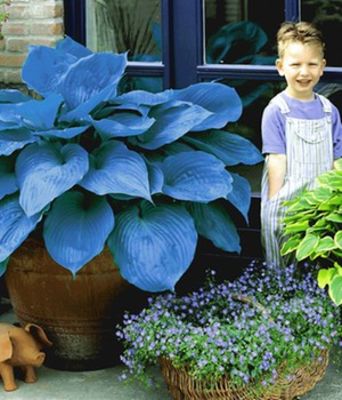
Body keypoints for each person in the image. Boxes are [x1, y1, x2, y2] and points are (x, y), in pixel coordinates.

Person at [260, 21, 342, 267]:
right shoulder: (276, 111)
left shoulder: (329, 111)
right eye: (295, 64)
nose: (304, 72)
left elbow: (337, 159)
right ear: (280, 67)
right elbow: (276, 159)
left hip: (320, 202)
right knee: (282, 261)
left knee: (318, 260)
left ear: (322, 67)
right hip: (287, 199)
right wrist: (275, 203)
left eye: (312, 64)